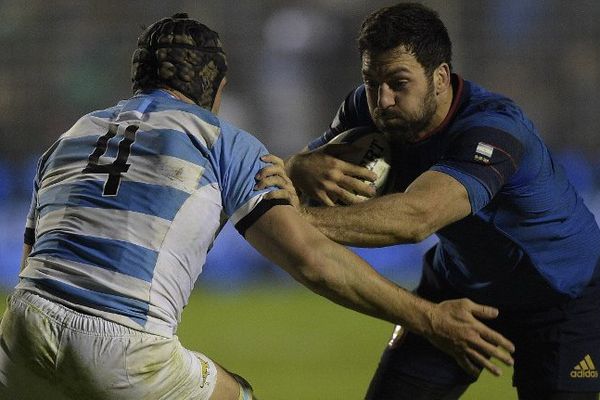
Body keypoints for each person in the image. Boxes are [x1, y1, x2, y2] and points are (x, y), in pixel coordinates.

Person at [0, 12, 514, 400]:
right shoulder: (223, 139)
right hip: (123, 344)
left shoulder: (72, 136)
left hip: (21, 329)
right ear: (217, 89)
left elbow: (31, 263)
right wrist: (428, 319)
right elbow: (312, 260)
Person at [257, 3, 600, 400]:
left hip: (560, 295)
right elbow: (295, 177)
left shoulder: (493, 129)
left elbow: (415, 219)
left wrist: (299, 219)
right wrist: (299, 165)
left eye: (398, 83)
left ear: (440, 77)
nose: (382, 99)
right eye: (371, 82)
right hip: (459, 285)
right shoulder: (363, 110)